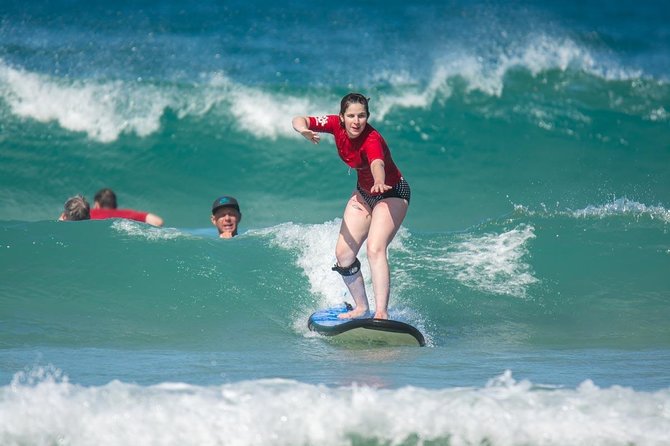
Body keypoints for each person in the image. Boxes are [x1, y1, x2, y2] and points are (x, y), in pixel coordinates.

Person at [292, 93, 410, 320]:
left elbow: (377, 162)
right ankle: (361, 308)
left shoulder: (371, 139)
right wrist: (303, 131)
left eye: (362, 116)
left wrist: (378, 180)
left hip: (392, 192)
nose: (357, 121)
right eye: (352, 116)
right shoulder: (335, 125)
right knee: (344, 255)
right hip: (364, 194)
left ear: (368, 117)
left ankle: (382, 314)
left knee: (375, 249)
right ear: (342, 117)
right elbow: (300, 119)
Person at [90, 188, 164, 227]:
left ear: (97, 204)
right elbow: (158, 221)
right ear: (115, 204)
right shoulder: (126, 213)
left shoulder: (90, 213)